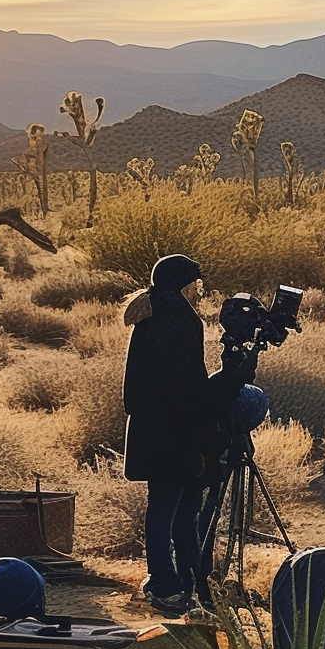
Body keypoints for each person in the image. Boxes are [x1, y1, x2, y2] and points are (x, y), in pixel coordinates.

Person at [121, 253, 249, 612]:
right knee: (169, 508)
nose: (200, 292)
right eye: (197, 285)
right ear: (184, 285)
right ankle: (166, 582)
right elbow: (186, 393)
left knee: (175, 507)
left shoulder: (160, 314)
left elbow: (181, 387)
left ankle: (181, 578)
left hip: (160, 429)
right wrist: (230, 379)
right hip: (169, 432)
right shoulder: (174, 322)